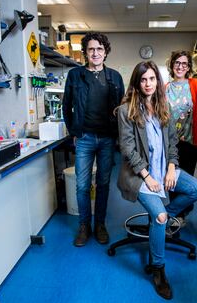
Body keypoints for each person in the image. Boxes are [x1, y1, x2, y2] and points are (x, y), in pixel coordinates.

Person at [116, 61, 197, 300]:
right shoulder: (126, 111)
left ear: (157, 81)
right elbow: (128, 149)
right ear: (137, 82)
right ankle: (158, 269)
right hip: (139, 174)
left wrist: (172, 167)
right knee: (160, 216)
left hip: (164, 168)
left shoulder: (163, 106)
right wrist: (148, 177)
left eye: (152, 79)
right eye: (143, 79)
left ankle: (161, 219)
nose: (148, 84)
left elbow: (172, 142)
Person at [62, 32, 125, 246]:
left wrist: (120, 137)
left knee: (104, 184)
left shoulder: (114, 77)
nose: (95, 53)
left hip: (107, 138)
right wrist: (74, 132)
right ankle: (83, 226)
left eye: (99, 49)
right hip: (85, 138)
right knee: (81, 185)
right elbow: (66, 106)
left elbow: (122, 110)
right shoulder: (75, 75)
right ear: (86, 52)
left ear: (105, 51)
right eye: (91, 49)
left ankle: (100, 224)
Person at [165, 50, 197, 224]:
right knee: (171, 181)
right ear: (172, 65)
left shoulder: (195, 84)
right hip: (170, 144)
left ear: (189, 67)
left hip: (189, 142)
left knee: (187, 180)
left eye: (184, 63)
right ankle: (176, 215)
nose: (180, 66)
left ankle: (179, 214)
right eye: (177, 63)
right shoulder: (165, 88)